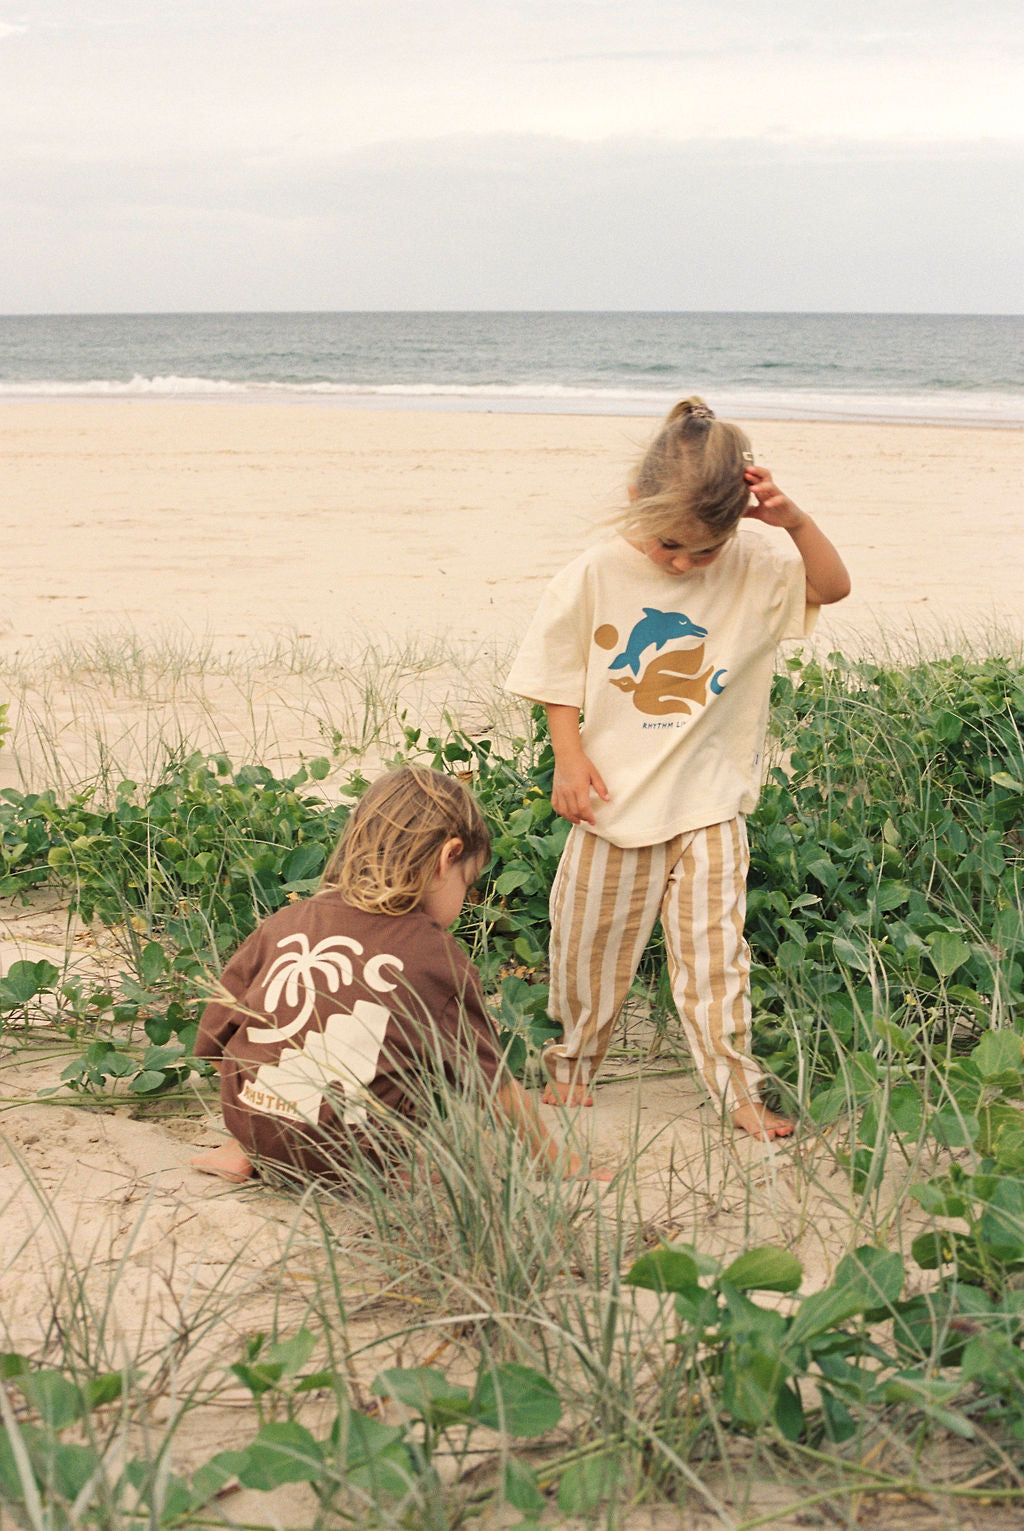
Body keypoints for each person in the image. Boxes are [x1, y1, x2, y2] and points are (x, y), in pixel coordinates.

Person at [505, 397, 850, 1141]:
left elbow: (834, 586)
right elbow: (555, 669)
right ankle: (572, 1067)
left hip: (710, 804)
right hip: (612, 803)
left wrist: (792, 522)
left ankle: (738, 1089)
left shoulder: (756, 564)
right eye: (670, 546)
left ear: (737, 526)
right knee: (586, 948)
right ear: (636, 501)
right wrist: (568, 755)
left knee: (716, 959)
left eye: (705, 550)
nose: (686, 564)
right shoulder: (596, 571)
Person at [190, 766, 596, 1184]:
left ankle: (240, 1150)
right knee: (419, 1071)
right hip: (345, 1150)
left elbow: (217, 1031)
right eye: (466, 882)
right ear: (447, 857)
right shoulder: (433, 956)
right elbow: (493, 1083)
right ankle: (394, 1166)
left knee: (273, 1045)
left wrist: (256, 1115)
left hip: (252, 1122)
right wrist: (558, 1162)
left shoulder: (284, 922)